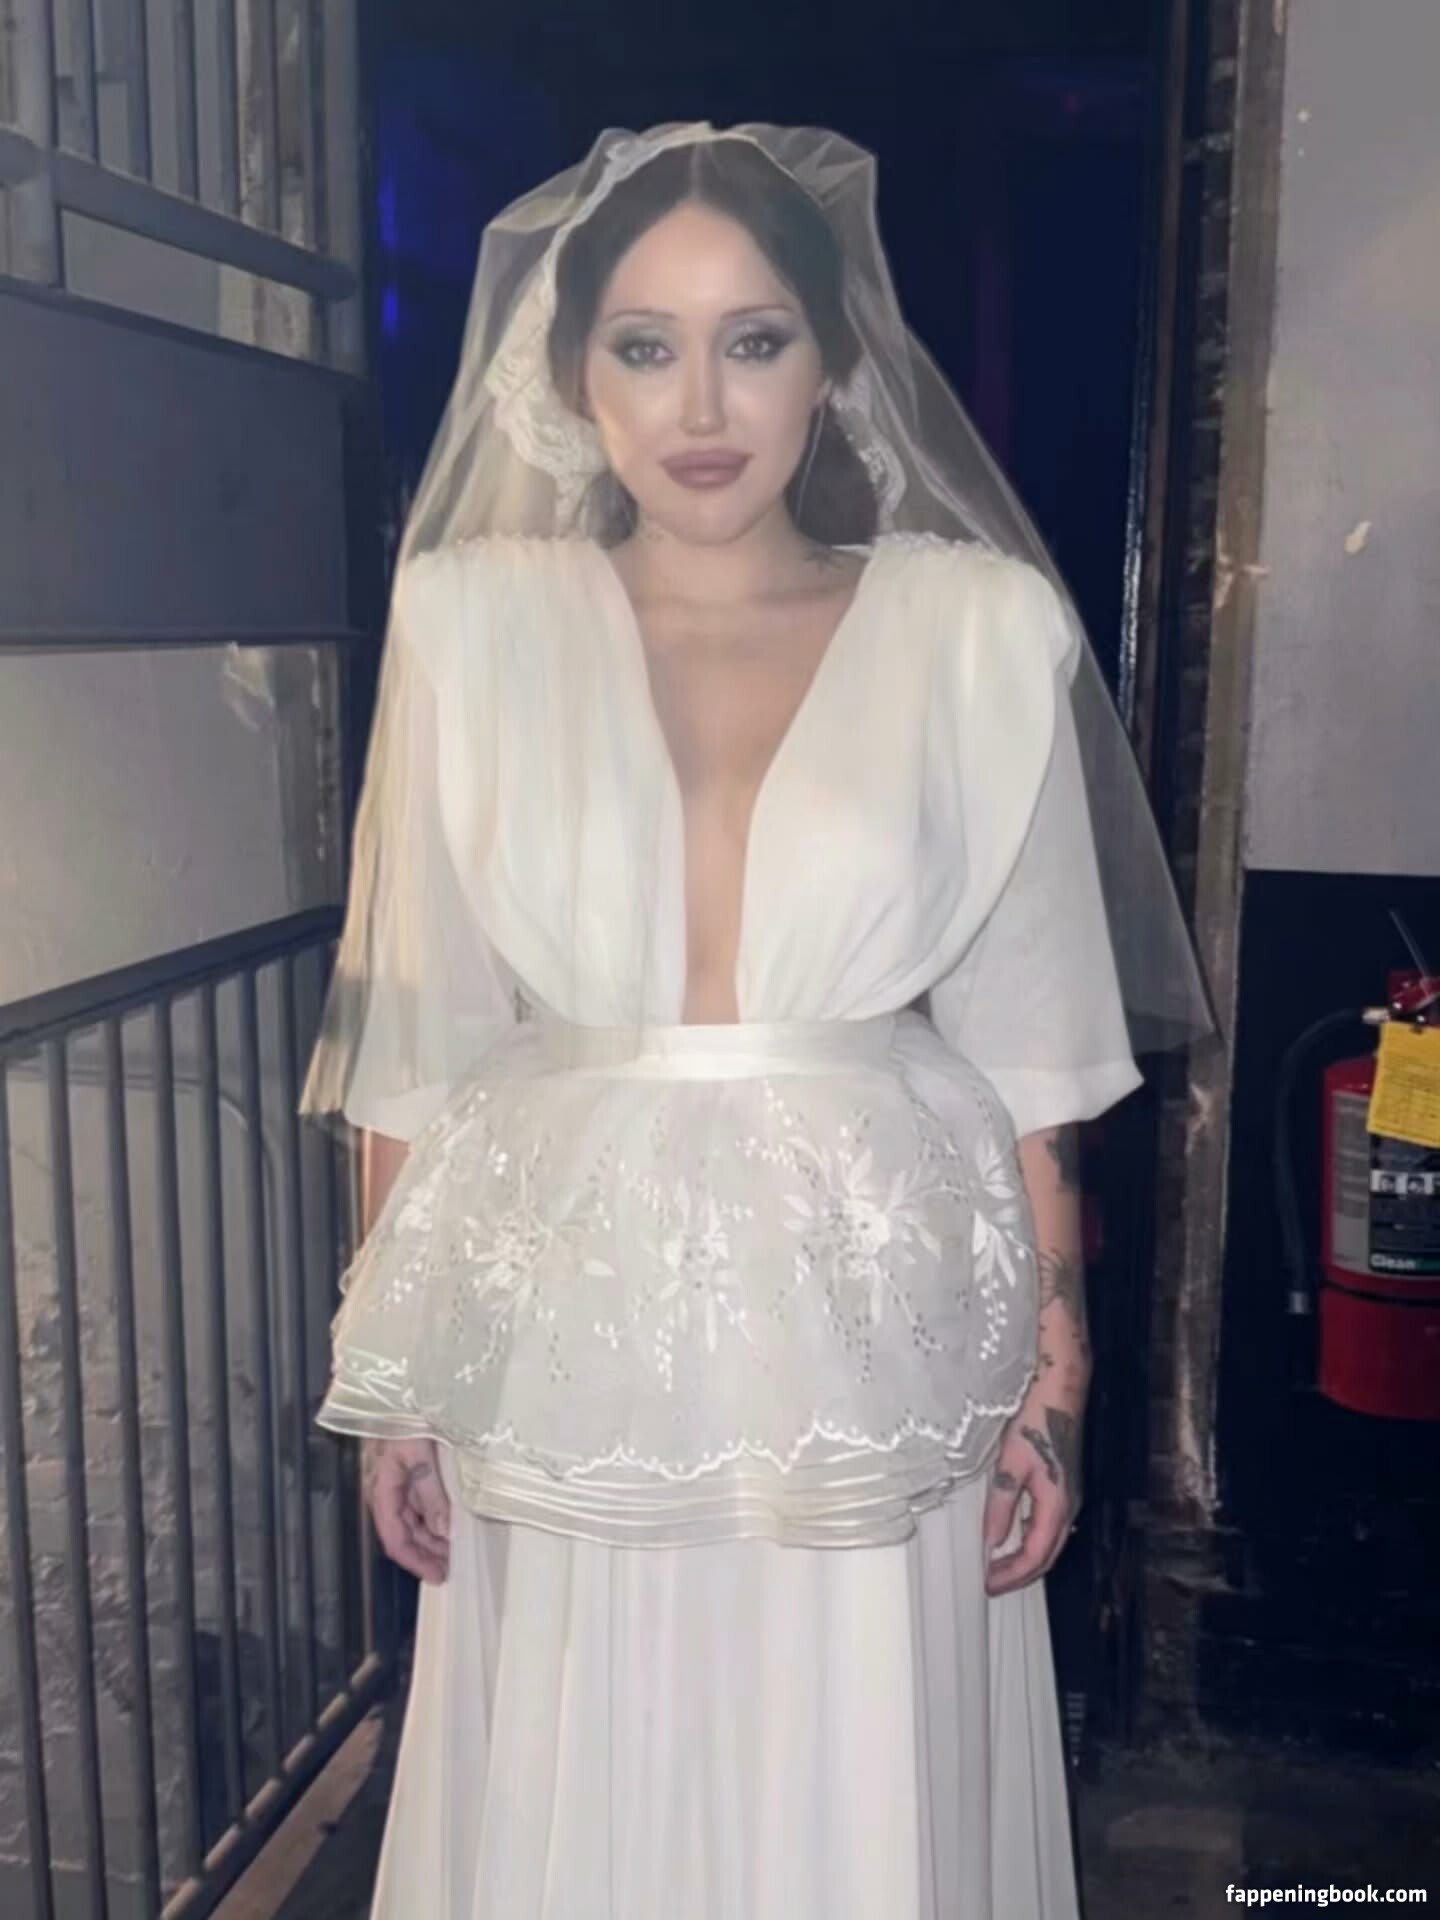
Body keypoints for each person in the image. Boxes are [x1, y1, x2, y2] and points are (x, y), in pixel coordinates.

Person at [301, 122, 1209, 1920]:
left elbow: (1031, 1044)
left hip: (875, 1328)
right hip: (563, 1328)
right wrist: (397, 1386)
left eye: (755, 339)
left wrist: (1057, 1380)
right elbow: (420, 1031)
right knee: (583, 1772)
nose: (701, 402)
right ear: (575, 378)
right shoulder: (472, 625)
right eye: (645, 345)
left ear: (835, 362)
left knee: (853, 1765)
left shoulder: (975, 631)